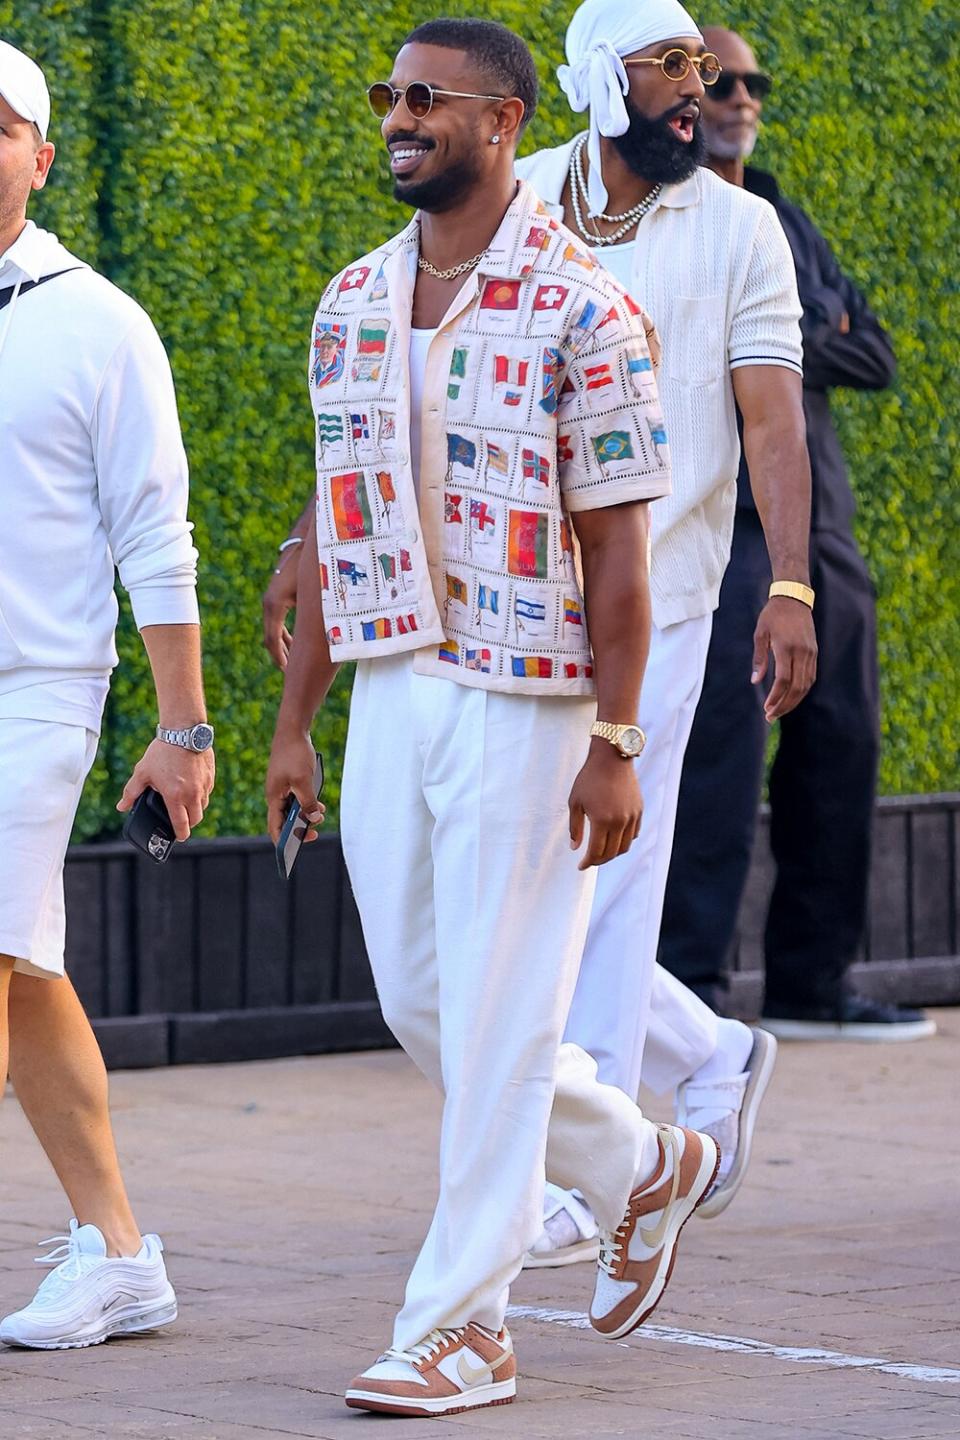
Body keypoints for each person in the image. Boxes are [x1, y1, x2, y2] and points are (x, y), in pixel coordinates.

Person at [266, 17, 722, 1418]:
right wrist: (295, 724)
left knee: (509, 1002)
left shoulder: (587, 305)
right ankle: (639, 1161)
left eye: (428, 98)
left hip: (538, 696)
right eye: (387, 96)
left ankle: (464, 1324)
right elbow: (342, 525)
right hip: (399, 676)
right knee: (426, 999)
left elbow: (626, 553)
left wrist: (620, 738)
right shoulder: (352, 298)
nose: (399, 116)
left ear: (506, 120)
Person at [514, 0, 816, 1258]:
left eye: (703, 65)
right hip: (518, 593)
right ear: (599, 78)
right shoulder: (518, 193)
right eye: (669, 65)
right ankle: (711, 1051)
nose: (697, 87)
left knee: (608, 881)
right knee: (515, 887)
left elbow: (773, 422)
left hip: (672, 594)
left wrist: (791, 587)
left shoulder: (743, 228)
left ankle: (593, 1176)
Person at [655, 26, 933, 1041]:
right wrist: (816, 334)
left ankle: (813, 985)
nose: (741, 97)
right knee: (717, 762)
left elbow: (878, 355)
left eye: (753, 81)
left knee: (842, 743)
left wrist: (778, 330)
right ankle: (682, 1001)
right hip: (723, 531)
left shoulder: (781, 216)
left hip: (824, 533)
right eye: (721, 80)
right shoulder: (678, 218)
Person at [0, 40, 214, 1349]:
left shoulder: (101, 321)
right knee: (26, 974)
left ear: (40, 153)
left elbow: (158, 533)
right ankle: (121, 1253)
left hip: (34, 695)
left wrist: (182, 728)